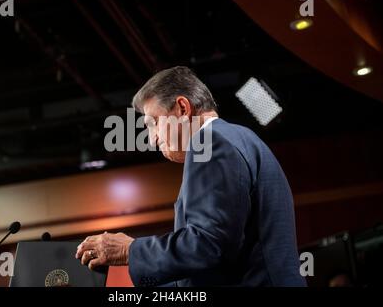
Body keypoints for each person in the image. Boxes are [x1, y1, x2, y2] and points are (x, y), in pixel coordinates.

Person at [75, 66, 306, 287]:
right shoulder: (239, 137)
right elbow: (219, 260)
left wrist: (130, 250)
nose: (152, 139)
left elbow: (208, 245)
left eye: (153, 123)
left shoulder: (211, 143)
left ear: (183, 109)